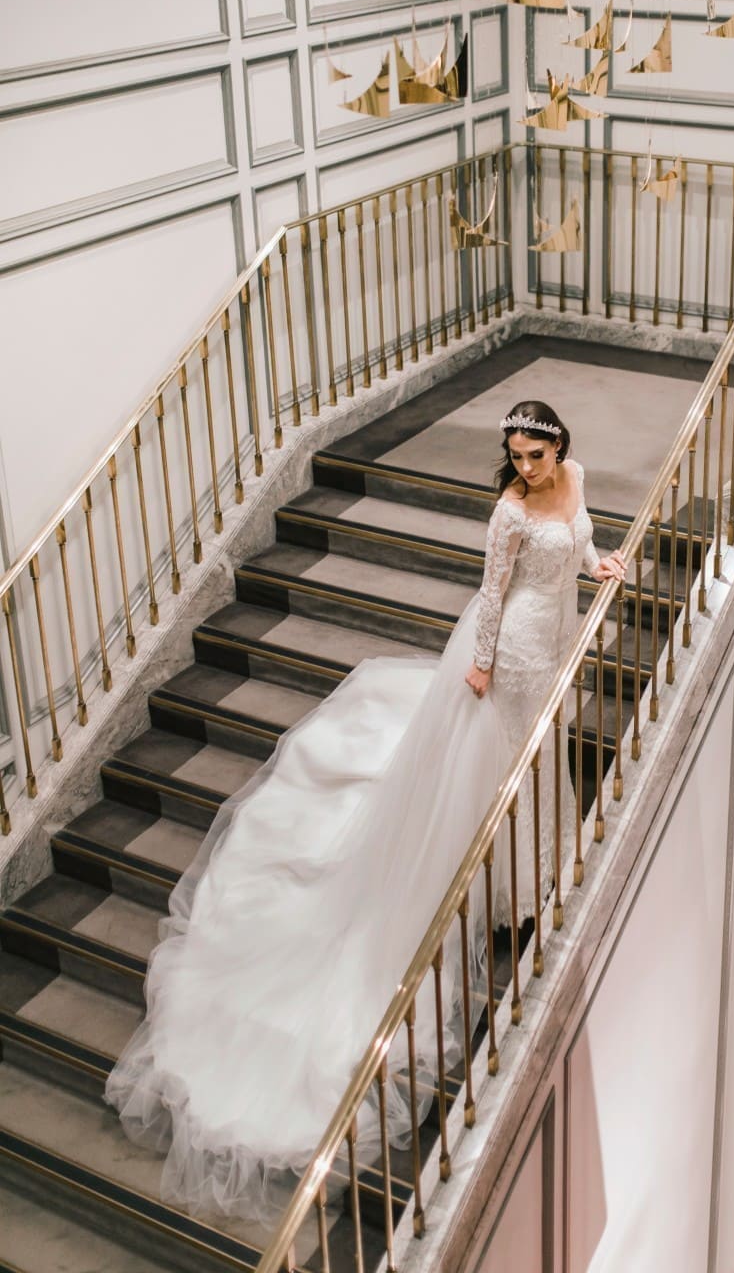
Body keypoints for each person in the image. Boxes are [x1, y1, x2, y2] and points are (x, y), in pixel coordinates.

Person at [105, 401, 625, 1223]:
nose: (527, 468)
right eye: (517, 456)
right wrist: (481, 665)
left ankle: (532, 871)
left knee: (542, 749)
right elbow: (492, 596)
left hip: (556, 634)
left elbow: (581, 538)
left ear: (560, 446)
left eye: (537, 454)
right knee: (500, 762)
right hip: (514, 647)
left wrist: (598, 565)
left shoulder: (576, 480)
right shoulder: (508, 511)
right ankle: (493, 882)